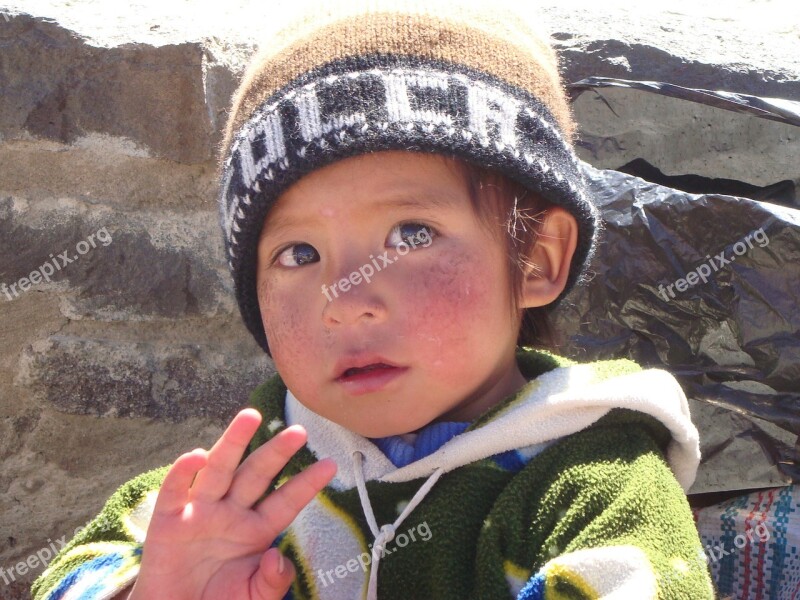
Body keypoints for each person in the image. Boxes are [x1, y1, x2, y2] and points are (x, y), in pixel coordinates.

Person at [31, 1, 715, 598]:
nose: (345, 298)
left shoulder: (598, 487)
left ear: (535, 259)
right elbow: (75, 568)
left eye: (411, 233)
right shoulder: (231, 496)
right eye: (298, 254)